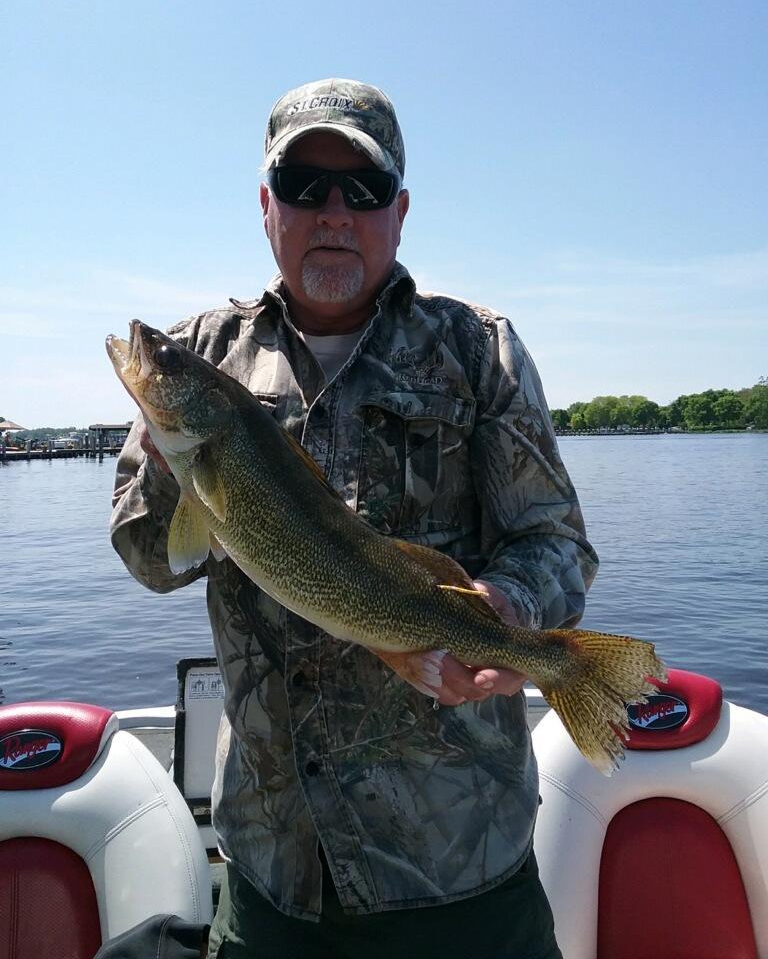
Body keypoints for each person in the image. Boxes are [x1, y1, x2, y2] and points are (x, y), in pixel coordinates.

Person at [111, 78, 598, 958]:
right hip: (275, 877)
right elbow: (153, 561)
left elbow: (556, 542)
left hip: (463, 873)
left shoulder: (477, 350)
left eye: (362, 190)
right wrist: (164, 457)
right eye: (305, 187)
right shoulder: (206, 359)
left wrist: (510, 613)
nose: (333, 210)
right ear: (268, 206)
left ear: (399, 211)